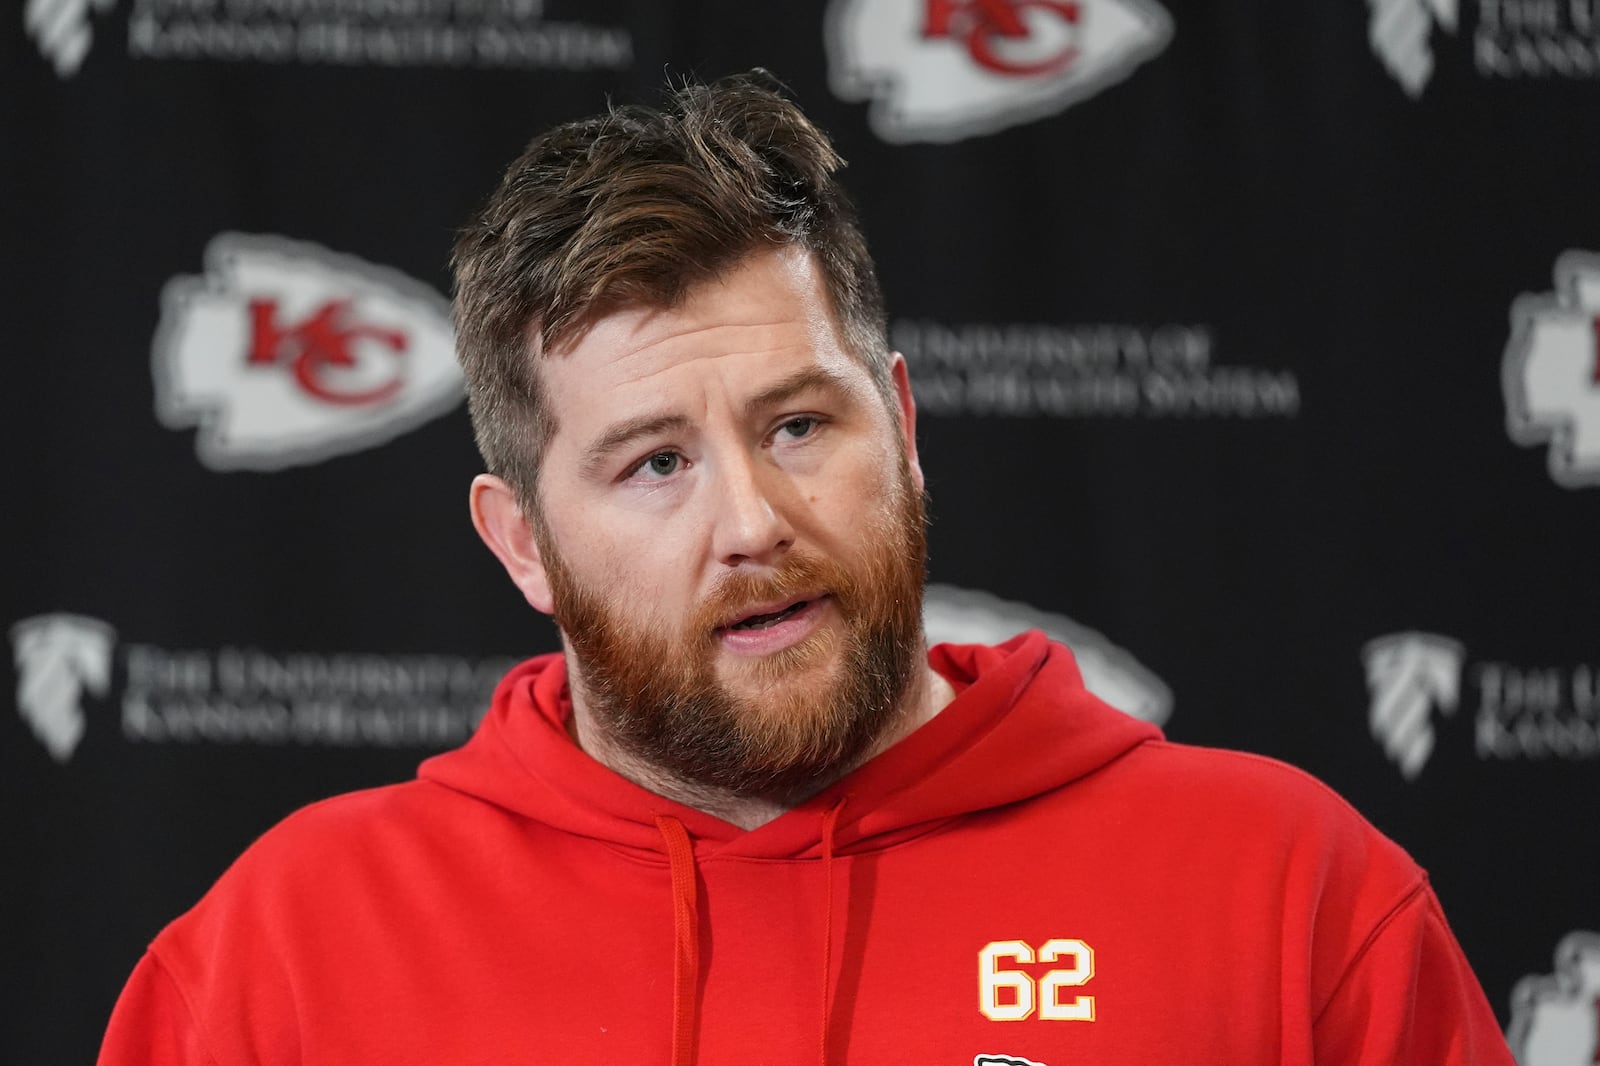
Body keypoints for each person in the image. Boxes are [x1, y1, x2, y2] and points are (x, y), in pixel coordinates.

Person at [98, 71, 1514, 1065]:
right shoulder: (284, 956)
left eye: (796, 423)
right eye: (654, 461)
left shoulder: (1285, 893)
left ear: (899, 425)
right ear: (519, 541)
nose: (754, 519)